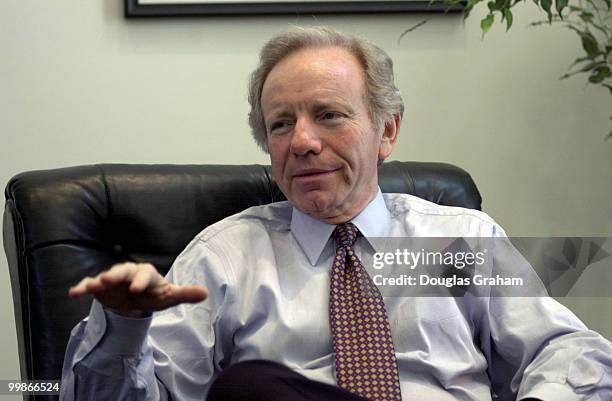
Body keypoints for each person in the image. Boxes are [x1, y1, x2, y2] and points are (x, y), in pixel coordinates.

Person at [60, 26, 612, 401]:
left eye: (328, 115)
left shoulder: (459, 240)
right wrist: (125, 329)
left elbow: (567, 349)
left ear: (387, 130)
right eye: (281, 124)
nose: (301, 141)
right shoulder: (224, 258)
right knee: (253, 390)